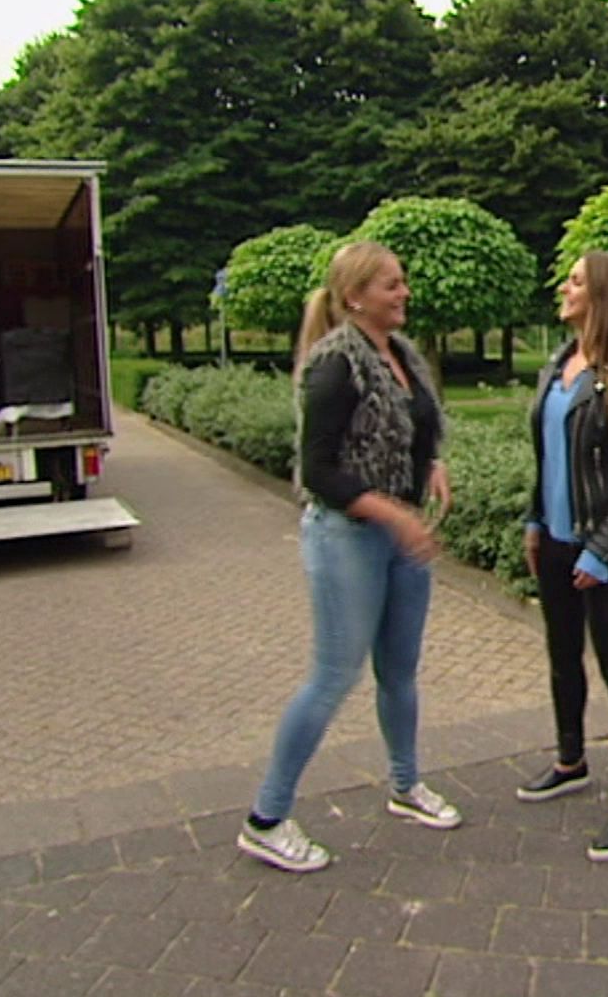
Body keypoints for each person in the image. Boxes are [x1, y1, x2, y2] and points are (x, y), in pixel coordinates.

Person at [237, 241, 461, 874]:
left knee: (400, 670)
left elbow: (419, 428)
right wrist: (393, 514)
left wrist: (432, 465)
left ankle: (405, 785)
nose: (405, 292)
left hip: (400, 537)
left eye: (403, 281)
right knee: (334, 675)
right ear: (355, 296)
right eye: (392, 284)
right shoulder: (335, 365)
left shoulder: (402, 355)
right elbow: (317, 471)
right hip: (349, 537)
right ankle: (266, 819)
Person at [517, 250, 608, 863]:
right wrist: (534, 521)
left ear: (604, 296)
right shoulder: (559, 364)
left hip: (605, 550)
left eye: (576, 281)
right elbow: (547, 457)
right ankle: (570, 760)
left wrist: (602, 550)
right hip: (554, 541)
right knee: (562, 656)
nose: (564, 287)